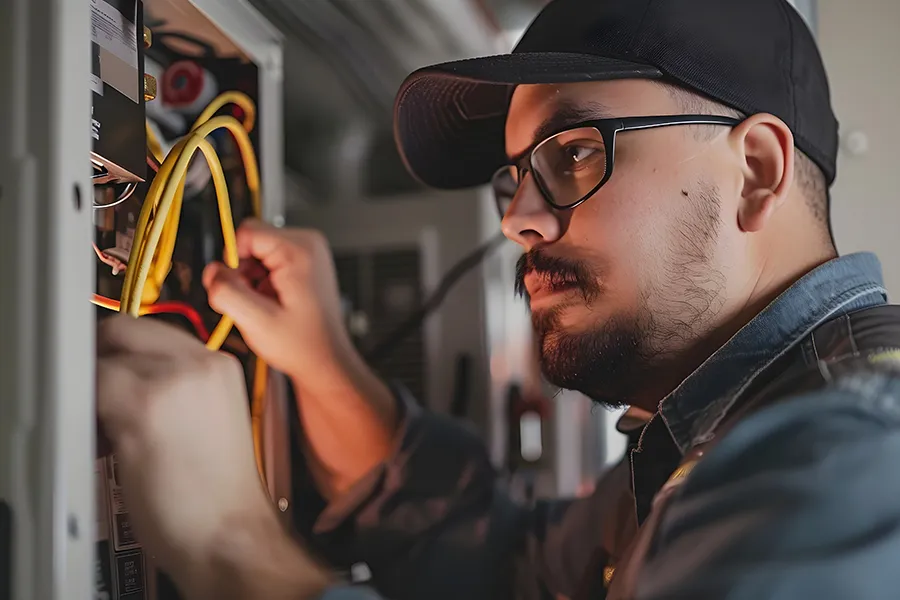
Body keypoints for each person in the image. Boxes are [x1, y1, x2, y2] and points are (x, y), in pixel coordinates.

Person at [96, 0, 900, 598]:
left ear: (757, 170)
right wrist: (329, 369)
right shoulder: (711, 433)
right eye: (514, 177)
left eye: (575, 152)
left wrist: (229, 541)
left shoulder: (850, 461)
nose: (518, 218)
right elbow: (515, 569)